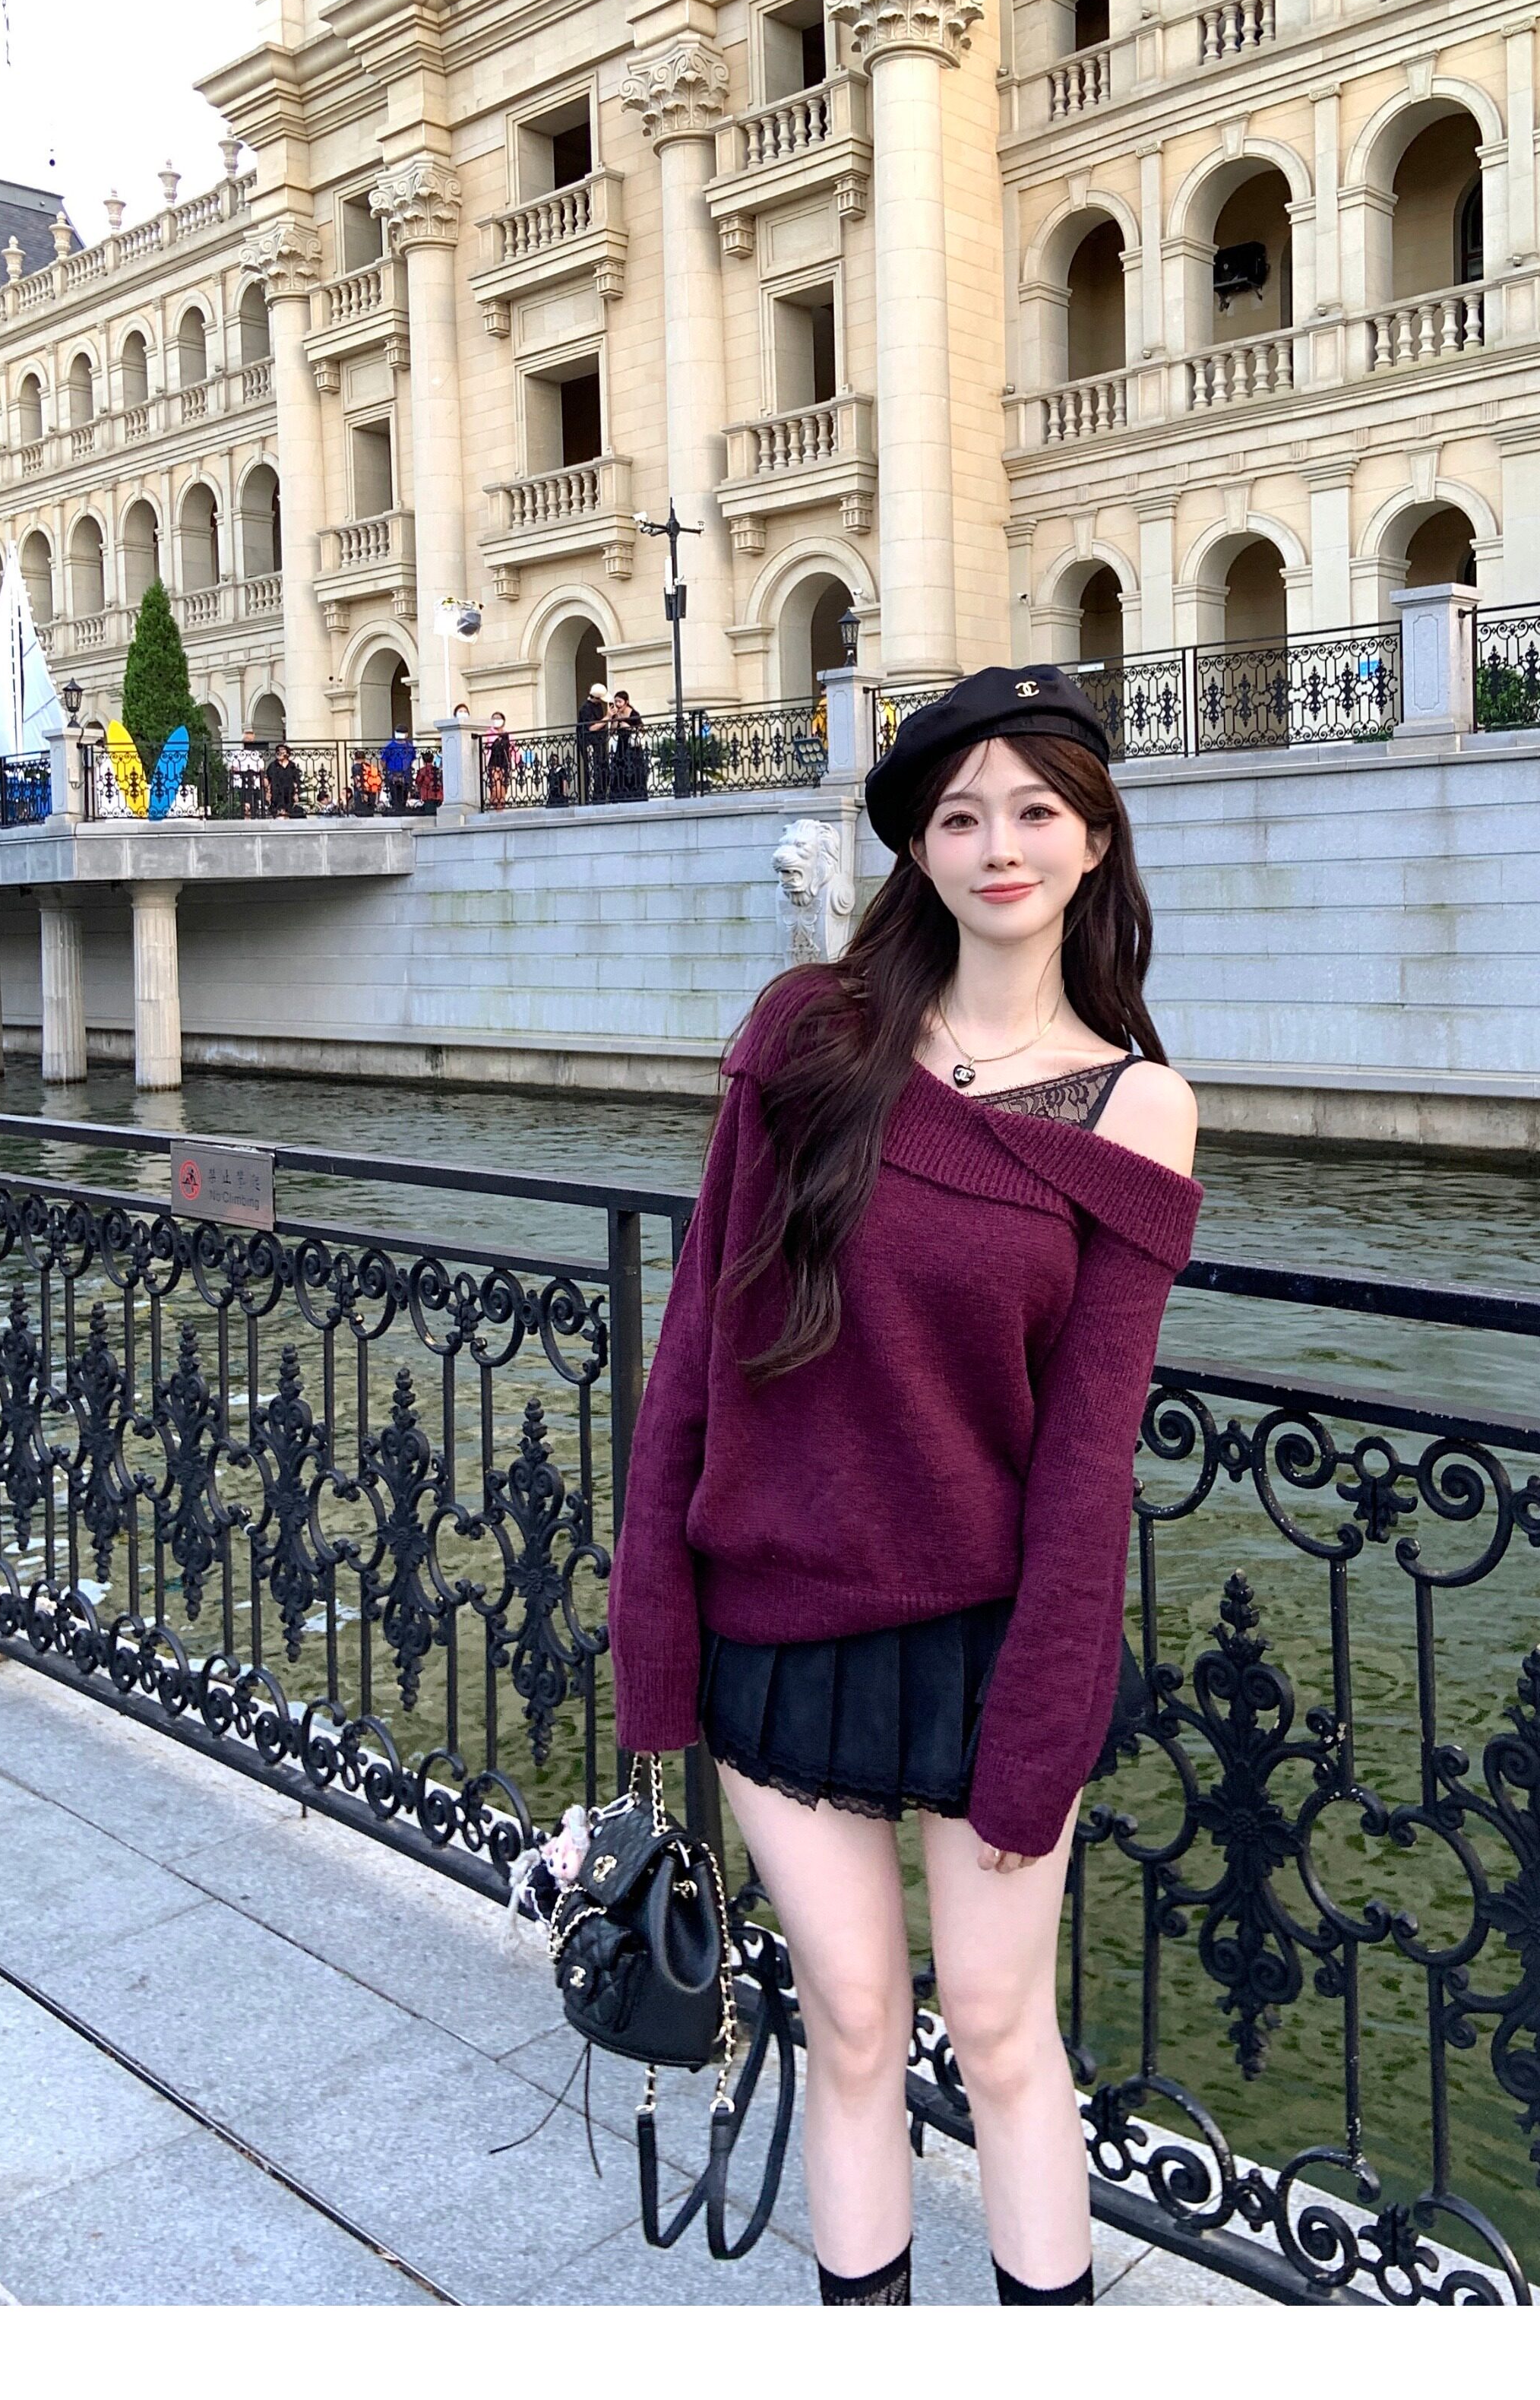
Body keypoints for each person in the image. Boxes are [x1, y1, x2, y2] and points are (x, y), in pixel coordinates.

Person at [609, 665, 1202, 2309]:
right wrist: (654, 1632)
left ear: (1094, 839)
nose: (999, 845)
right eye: (959, 816)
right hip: (777, 1618)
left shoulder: (1139, 1108)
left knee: (1002, 2032)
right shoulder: (812, 1036)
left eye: (1036, 810)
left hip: (990, 1644)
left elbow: (1087, 1455)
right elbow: (694, 1351)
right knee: (853, 2019)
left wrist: (1042, 1725)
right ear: (918, 849)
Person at [607, 688, 646, 800]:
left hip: (633, 747)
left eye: (620, 702)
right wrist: (615, 719)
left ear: (626, 702)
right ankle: (620, 795)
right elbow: (612, 731)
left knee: (634, 771)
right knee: (620, 770)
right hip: (621, 746)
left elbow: (642, 730)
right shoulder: (616, 715)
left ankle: (636, 795)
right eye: (616, 702)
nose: (618, 704)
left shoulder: (634, 714)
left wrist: (629, 727)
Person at [577, 679, 610, 804]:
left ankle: (601, 796)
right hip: (589, 743)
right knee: (593, 771)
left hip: (599, 742)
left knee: (602, 769)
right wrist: (607, 718)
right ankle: (592, 798)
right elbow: (591, 727)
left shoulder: (598, 706)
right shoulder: (585, 709)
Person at [381, 724, 415, 812]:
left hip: (406, 775)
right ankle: (396, 809)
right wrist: (389, 771)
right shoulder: (390, 746)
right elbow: (383, 761)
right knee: (395, 795)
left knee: (404, 795)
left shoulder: (410, 747)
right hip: (393, 774)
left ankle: (403, 809)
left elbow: (412, 760)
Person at [485, 710, 515, 809]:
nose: (496, 720)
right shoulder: (488, 733)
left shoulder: (508, 734)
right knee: (496, 788)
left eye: (498, 718)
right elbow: (486, 748)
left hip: (505, 764)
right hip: (494, 763)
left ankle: (499, 810)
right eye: (494, 718)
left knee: (502, 790)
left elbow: (513, 748)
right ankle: (494, 808)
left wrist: (517, 761)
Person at [263, 742, 301, 819]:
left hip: (289, 794)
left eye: (282, 752)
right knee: (278, 814)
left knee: (289, 813)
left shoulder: (292, 766)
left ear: (287, 754)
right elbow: (268, 780)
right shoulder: (273, 766)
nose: (280, 754)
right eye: (278, 752)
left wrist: (296, 793)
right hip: (277, 794)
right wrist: (267, 792)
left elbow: (296, 781)